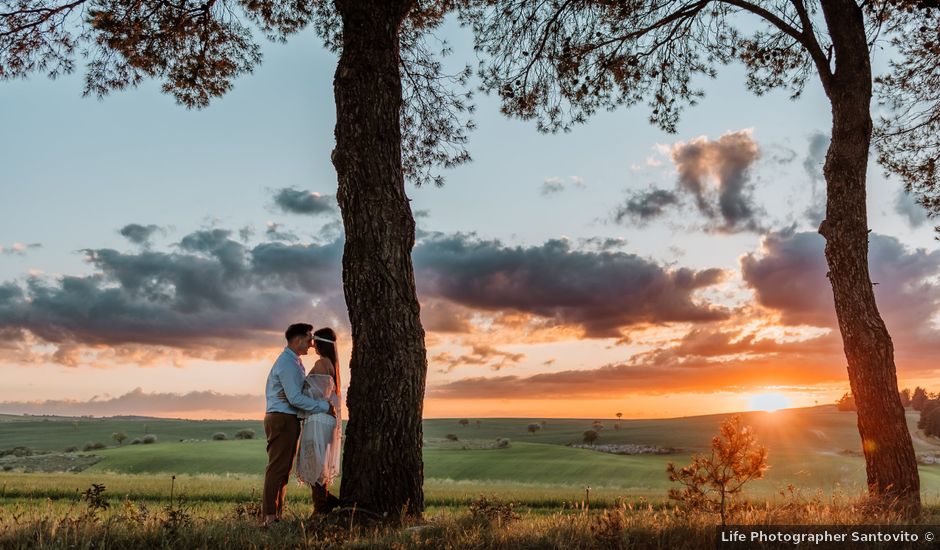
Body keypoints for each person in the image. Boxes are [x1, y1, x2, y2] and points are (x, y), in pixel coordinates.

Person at [262, 323, 333, 527]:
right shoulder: (287, 364)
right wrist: (322, 406)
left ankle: (276, 515)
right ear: (297, 339)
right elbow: (294, 398)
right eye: (309, 338)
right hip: (282, 418)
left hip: (288, 418)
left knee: (283, 469)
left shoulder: (295, 362)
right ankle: (269, 517)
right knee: (277, 468)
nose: (312, 344)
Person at [294, 327, 343, 514]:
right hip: (325, 421)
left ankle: (321, 507)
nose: (312, 344)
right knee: (319, 462)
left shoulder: (322, 363)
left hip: (318, 420)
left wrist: (298, 389)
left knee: (314, 461)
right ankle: (326, 501)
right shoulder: (333, 364)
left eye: (314, 341)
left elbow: (317, 393)